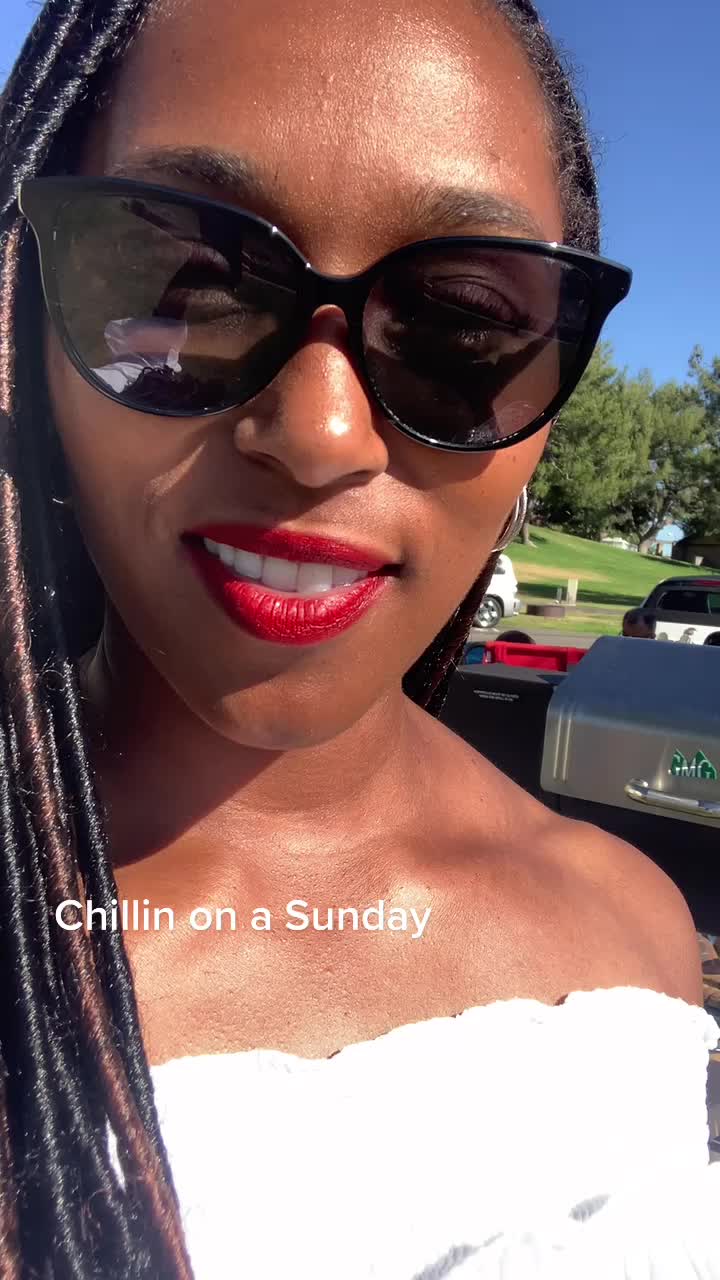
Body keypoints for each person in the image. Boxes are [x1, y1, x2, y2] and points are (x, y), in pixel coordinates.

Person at [0, 1, 715, 1276]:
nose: (321, 431)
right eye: (186, 286)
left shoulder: (637, 933)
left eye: (459, 326)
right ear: (25, 318)